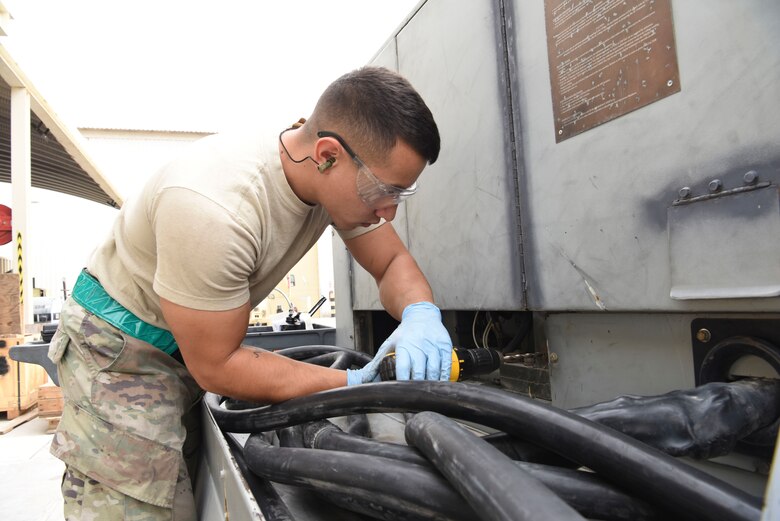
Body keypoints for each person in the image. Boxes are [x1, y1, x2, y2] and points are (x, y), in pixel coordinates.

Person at [47, 66, 453, 520]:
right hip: (121, 352)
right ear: (327, 155)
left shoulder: (324, 178)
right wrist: (356, 382)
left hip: (186, 348)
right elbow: (219, 366)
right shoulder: (216, 209)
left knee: (186, 494)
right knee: (141, 508)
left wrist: (421, 313)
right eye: (383, 190)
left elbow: (392, 262)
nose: (390, 211)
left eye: (401, 193)